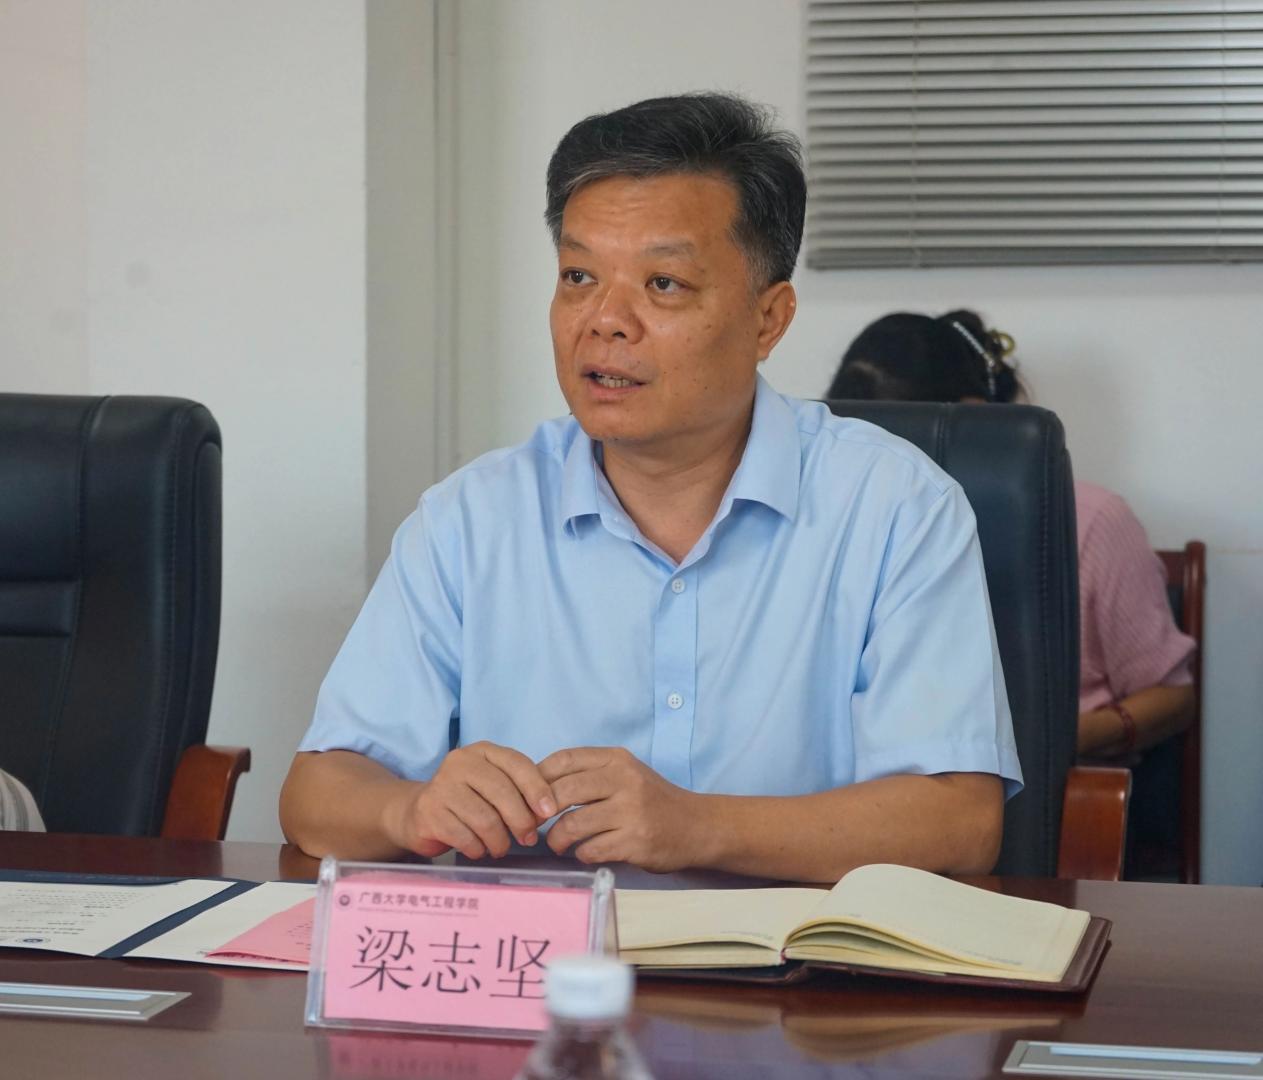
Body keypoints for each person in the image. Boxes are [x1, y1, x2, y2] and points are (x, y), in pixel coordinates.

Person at [280, 94, 1022, 885]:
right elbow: (317, 795)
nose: (605, 320)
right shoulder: (472, 518)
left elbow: (959, 823)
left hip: (792, 959)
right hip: (542, 956)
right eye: (578, 276)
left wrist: (699, 826)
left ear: (768, 319)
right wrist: (410, 808)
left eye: (663, 283)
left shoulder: (895, 507)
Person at [827, 310, 1197, 760]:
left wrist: (1054, 742)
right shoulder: (825, 521)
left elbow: (1173, 696)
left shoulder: (1091, 521)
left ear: (972, 417)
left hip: (1047, 788)